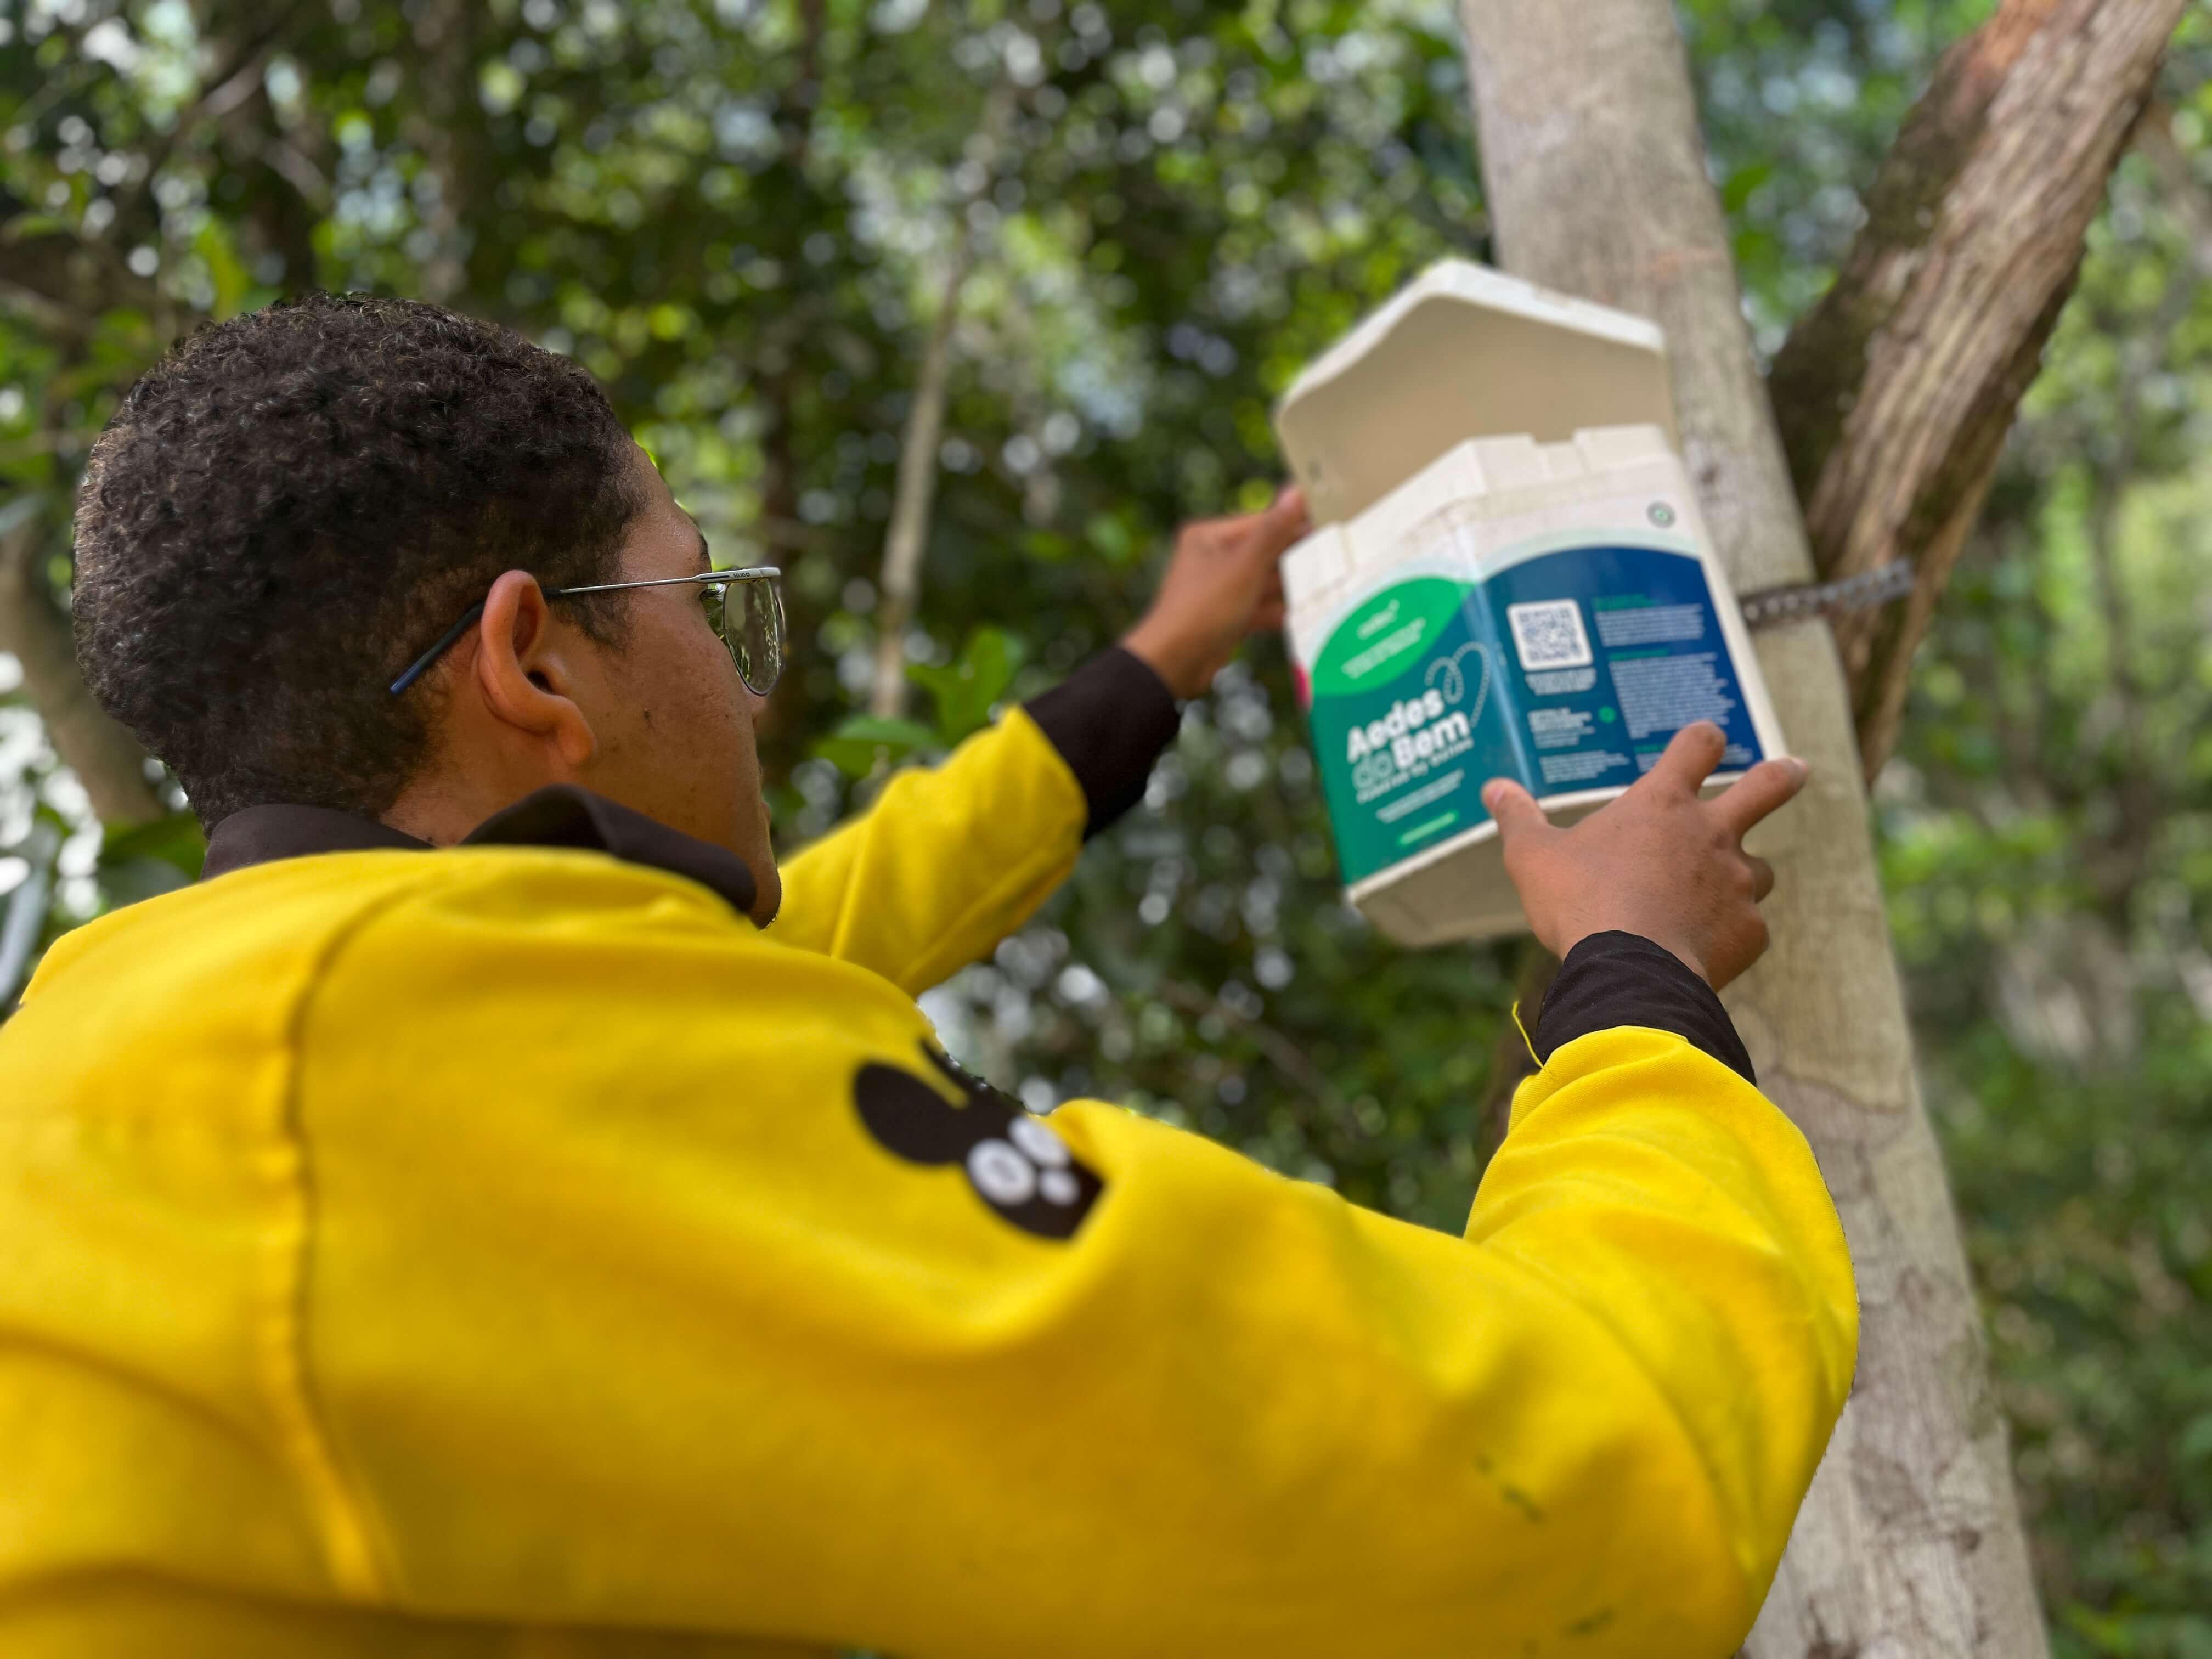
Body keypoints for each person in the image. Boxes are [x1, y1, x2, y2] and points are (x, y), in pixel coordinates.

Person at [0, 293, 1854, 1657]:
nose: (748, 682)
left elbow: (828, 918)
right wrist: (1635, 986)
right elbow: (1556, 1520)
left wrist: (1157, 662)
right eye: (708, 606)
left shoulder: (157, 1036)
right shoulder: (436, 1087)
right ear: (534, 663)